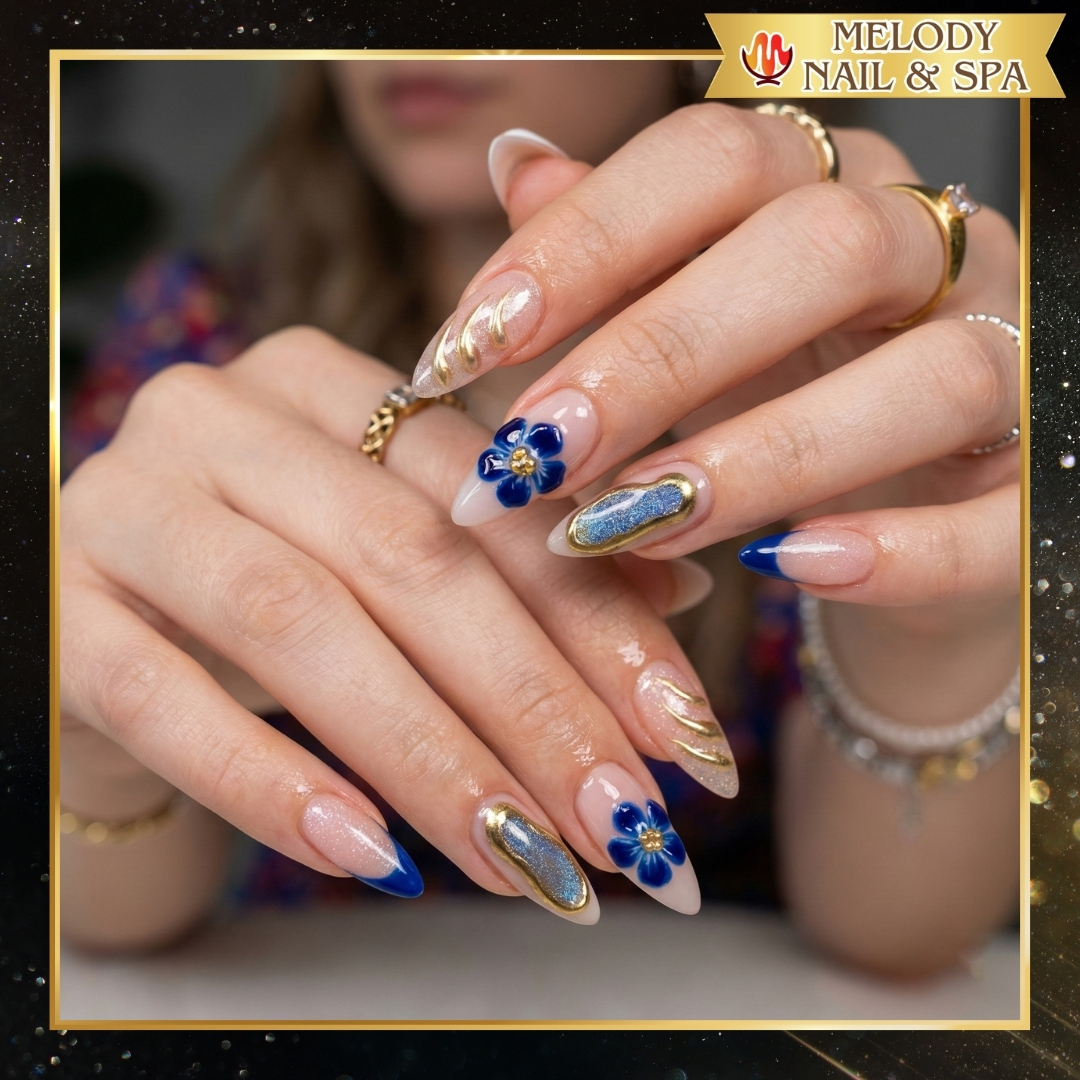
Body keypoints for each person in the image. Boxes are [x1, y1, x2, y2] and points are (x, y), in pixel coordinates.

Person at [60, 60, 1021, 977]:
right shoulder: (204, 331)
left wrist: (933, 615)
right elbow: (105, 924)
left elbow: (890, 939)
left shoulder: (844, 362)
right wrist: (104, 730)